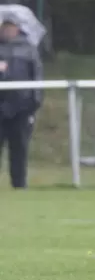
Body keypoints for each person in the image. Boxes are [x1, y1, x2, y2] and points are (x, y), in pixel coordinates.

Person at [0, 15, 42, 189]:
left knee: (20, 149)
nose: (7, 30)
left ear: (17, 28)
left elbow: (37, 76)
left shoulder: (30, 49)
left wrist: (35, 102)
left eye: (10, 27)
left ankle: (19, 184)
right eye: (4, 27)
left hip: (22, 107)